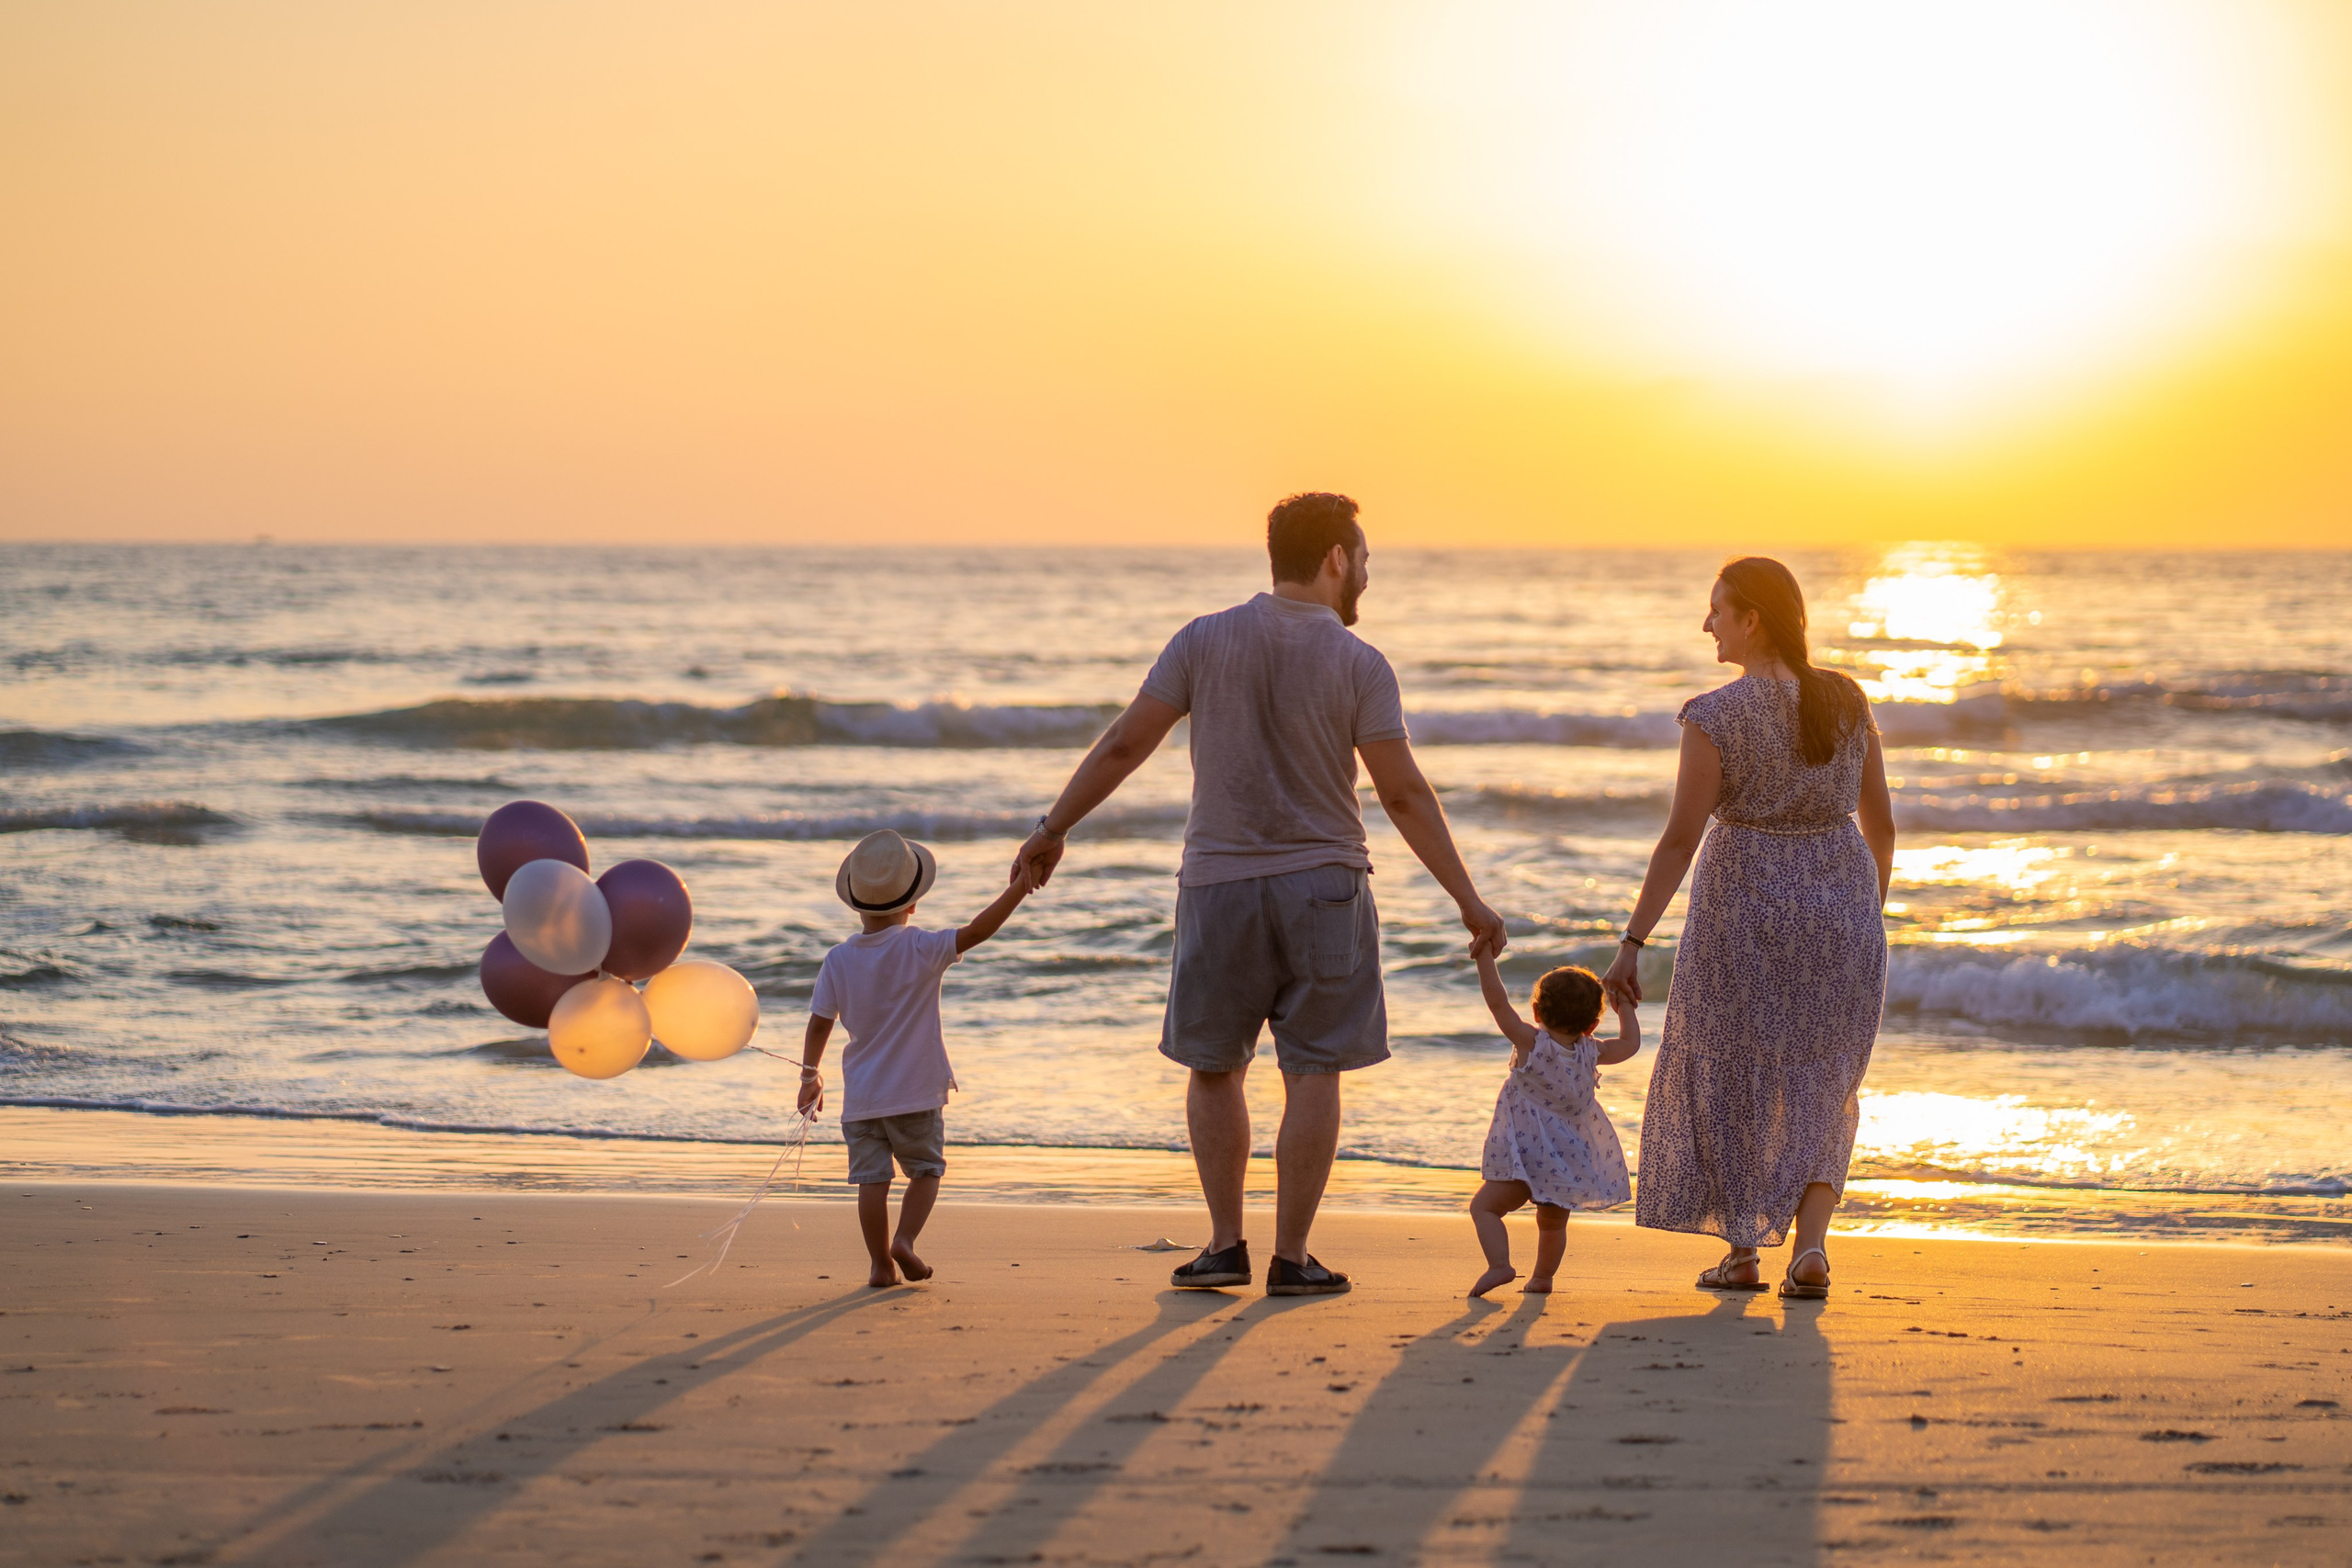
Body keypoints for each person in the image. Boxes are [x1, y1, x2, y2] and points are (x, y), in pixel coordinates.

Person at [1013, 491, 1507, 1297]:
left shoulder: (1203, 639)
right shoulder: (1361, 663)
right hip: (1327, 888)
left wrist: (1053, 825)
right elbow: (1404, 794)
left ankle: (1222, 1247)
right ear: (1336, 558)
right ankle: (1293, 1256)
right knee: (1314, 1071)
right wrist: (1468, 899)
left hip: (1219, 885)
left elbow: (1126, 742)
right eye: (1366, 558)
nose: (1369, 576)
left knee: (1215, 1067)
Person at [1603, 557, 1894, 1300]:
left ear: (1752, 618)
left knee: (1732, 1069)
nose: (1708, 624)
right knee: (1828, 1076)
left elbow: (1679, 838)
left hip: (1744, 906)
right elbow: (1881, 822)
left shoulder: (1713, 714)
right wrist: (1867, 909)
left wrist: (1632, 941)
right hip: (1841, 902)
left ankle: (1740, 1251)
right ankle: (1813, 1248)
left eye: (1716, 610)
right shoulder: (1847, 699)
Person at [799, 829, 1030, 1288]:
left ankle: (879, 1265)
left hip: (862, 1100)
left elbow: (819, 1022)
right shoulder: (921, 946)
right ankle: (903, 1240)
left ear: (856, 903)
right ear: (913, 904)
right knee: (926, 1171)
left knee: (871, 1182)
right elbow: (978, 931)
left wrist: (810, 1076)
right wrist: (1019, 888)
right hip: (916, 1095)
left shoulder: (838, 959)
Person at [1466, 955, 1636, 1299]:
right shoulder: (1594, 1051)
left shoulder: (1532, 1043)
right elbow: (1631, 1045)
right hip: (1567, 1158)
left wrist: (1485, 958)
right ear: (1592, 1025)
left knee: (1484, 1208)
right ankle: (1543, 1278)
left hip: (1524, 1157)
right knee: (1553, 1223)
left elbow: (1497, 1003)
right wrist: (1626, 1005)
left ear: (1537, 1013)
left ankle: (1500, 1265)